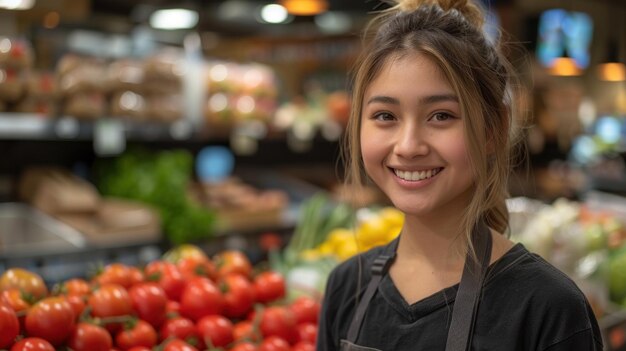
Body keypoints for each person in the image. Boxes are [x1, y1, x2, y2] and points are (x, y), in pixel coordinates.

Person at [317, 0, 604, 350]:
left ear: (493, 129)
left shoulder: (547, 306)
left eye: (441, 115)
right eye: (385, 116)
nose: (408, 146)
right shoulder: (347, 286)